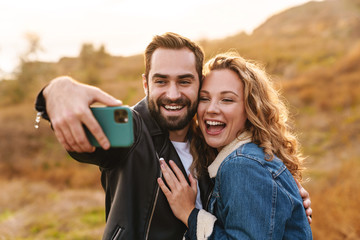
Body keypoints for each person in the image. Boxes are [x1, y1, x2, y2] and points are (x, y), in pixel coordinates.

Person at [35, 33, 312, 240]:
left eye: (184, 81)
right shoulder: (131, 127)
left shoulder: (213, 142)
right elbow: (81, 125)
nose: (172, 93)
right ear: (146, 83)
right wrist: (56, 92)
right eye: (160, 81)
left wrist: (283, 204)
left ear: (198, 84)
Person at [157, 53, 313, 239]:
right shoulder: (243, 158)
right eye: (204, 98)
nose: (211, 109)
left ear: (250, 109)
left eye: (227, 100)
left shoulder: (242, 165)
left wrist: (189, 214)